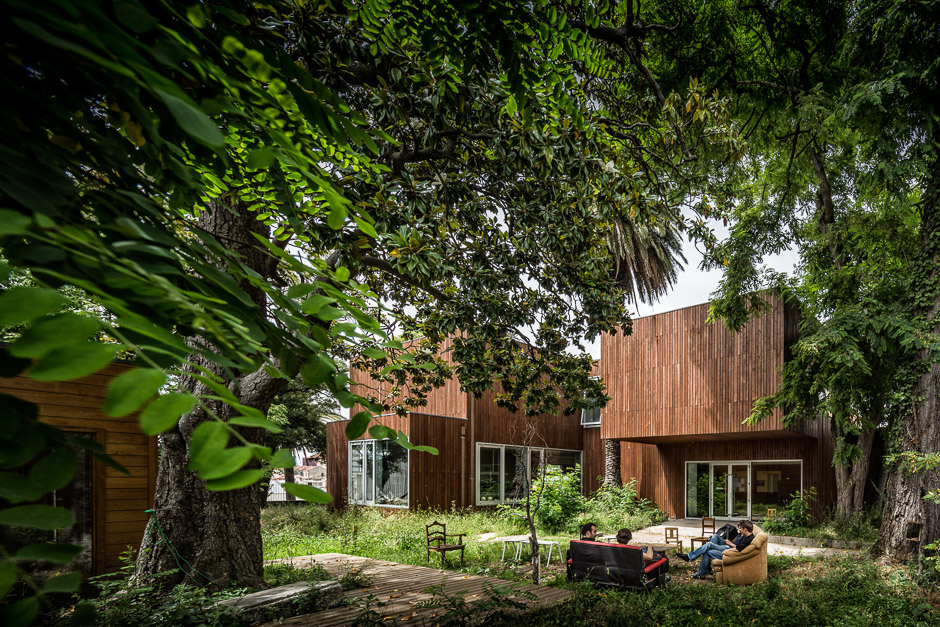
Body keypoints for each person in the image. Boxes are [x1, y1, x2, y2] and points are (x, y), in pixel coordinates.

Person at [678, 520, 755, 579]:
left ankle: (690, 557)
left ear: (745, 529)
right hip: (729, 546)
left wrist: (727, 549)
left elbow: (737, 549)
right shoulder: (746, 535)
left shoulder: (748, 539)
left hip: (730, 549)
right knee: (715, 537)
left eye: (741, 528)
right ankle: (702, 573)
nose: (739, 530)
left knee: (709, 546)